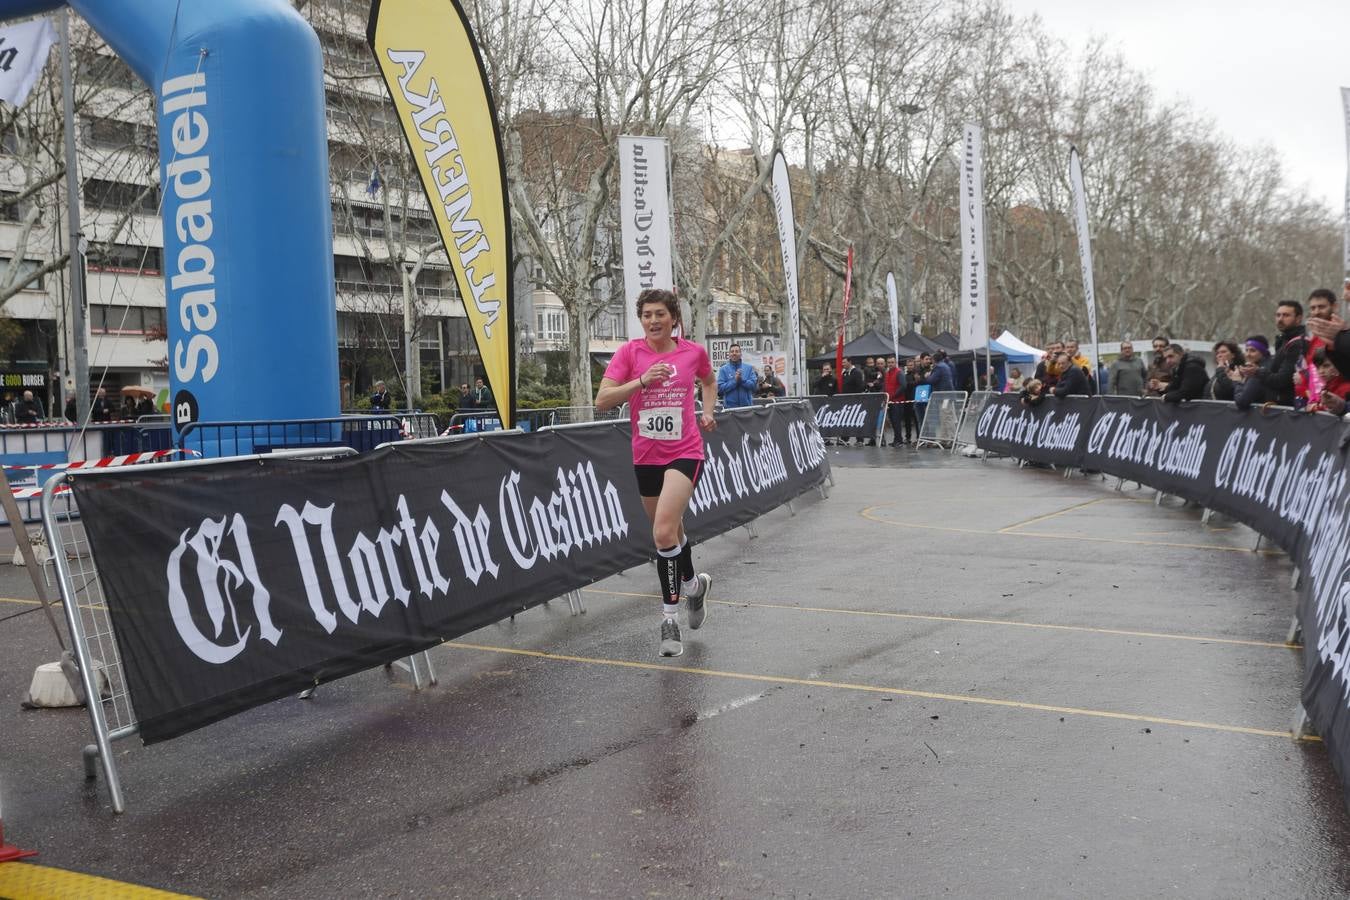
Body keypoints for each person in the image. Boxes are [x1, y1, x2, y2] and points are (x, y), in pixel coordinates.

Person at [595, 288, 716, 659]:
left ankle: (669, 619)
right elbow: (602, 401)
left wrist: (708, 411)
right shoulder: (629, 353)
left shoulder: (692, 352)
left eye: (660, 314)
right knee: (672, 535)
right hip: (646, 455)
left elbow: (709, 382)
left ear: (673, 317)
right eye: (646, 314)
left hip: (684, 451)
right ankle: (694, 586)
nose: (653, 320)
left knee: (662, 531)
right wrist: (642, 381)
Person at [1306, 348, 1350, 415]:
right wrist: (1315, 406)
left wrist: (1318, 408)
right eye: (1317, 367)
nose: (1321, 371)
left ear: (1339, 364)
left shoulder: (1346, 388)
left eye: (1326, 366)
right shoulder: (1327, 386)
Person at [716, 343, 758, 408]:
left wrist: (741, 380)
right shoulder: (723, 369)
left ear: (741, 354)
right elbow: (721, 389)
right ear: (729, 354)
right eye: (732, 351)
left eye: (737, 351)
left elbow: (754, 386)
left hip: (747, 408)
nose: (734, 353)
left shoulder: (749, 368)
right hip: (730, 409)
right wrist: (734, 381)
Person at [883, 355, 905, 446]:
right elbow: (886, 386)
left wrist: (893, 395)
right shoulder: (887, 373)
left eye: (892, 362)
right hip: (890, 400)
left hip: (897, 401)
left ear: (895, 363)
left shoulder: (899, 372)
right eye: (889, 362)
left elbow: (903, 386)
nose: (890, 364)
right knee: (893, 421)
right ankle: (896, 439)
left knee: (896, 421)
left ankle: (899, 440)